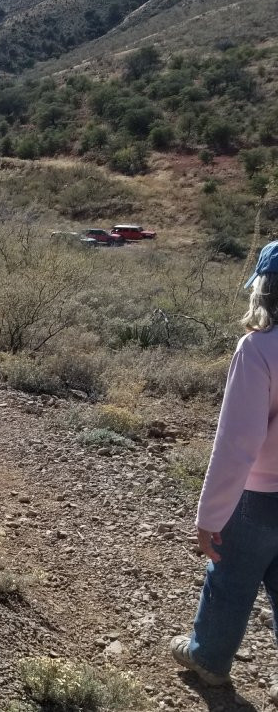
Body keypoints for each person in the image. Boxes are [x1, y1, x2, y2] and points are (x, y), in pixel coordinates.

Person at [170, 240, 278, 700]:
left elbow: (238, 444)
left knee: (230, 578)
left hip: (260, 498)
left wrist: (210, 516)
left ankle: (209, 660)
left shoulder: (258, 348)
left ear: (264, 288)